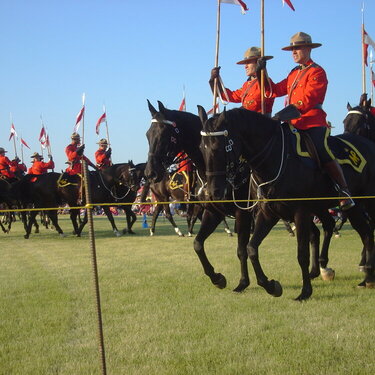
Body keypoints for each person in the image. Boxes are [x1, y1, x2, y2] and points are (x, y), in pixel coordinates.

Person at [258, 31, 354, 210]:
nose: (294, 52)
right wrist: (262, 72)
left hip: (312, 122)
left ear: (309, 49)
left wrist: (285, 113)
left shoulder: (317, 71)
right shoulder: (293, 73)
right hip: (292, 124)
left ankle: (344, 190)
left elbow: (309, 99)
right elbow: (274, 91)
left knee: (321, 148)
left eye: (298, 48)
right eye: (292, 49)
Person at [209, 46, 275, 115]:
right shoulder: (246, 85)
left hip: (262, 122)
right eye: (245, 63)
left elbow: (255, 105)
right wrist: (214, 81)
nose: (245, 66)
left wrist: (236, 113)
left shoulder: (265, 83)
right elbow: (231, 96)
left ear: (258, 62)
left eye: (248, 62)